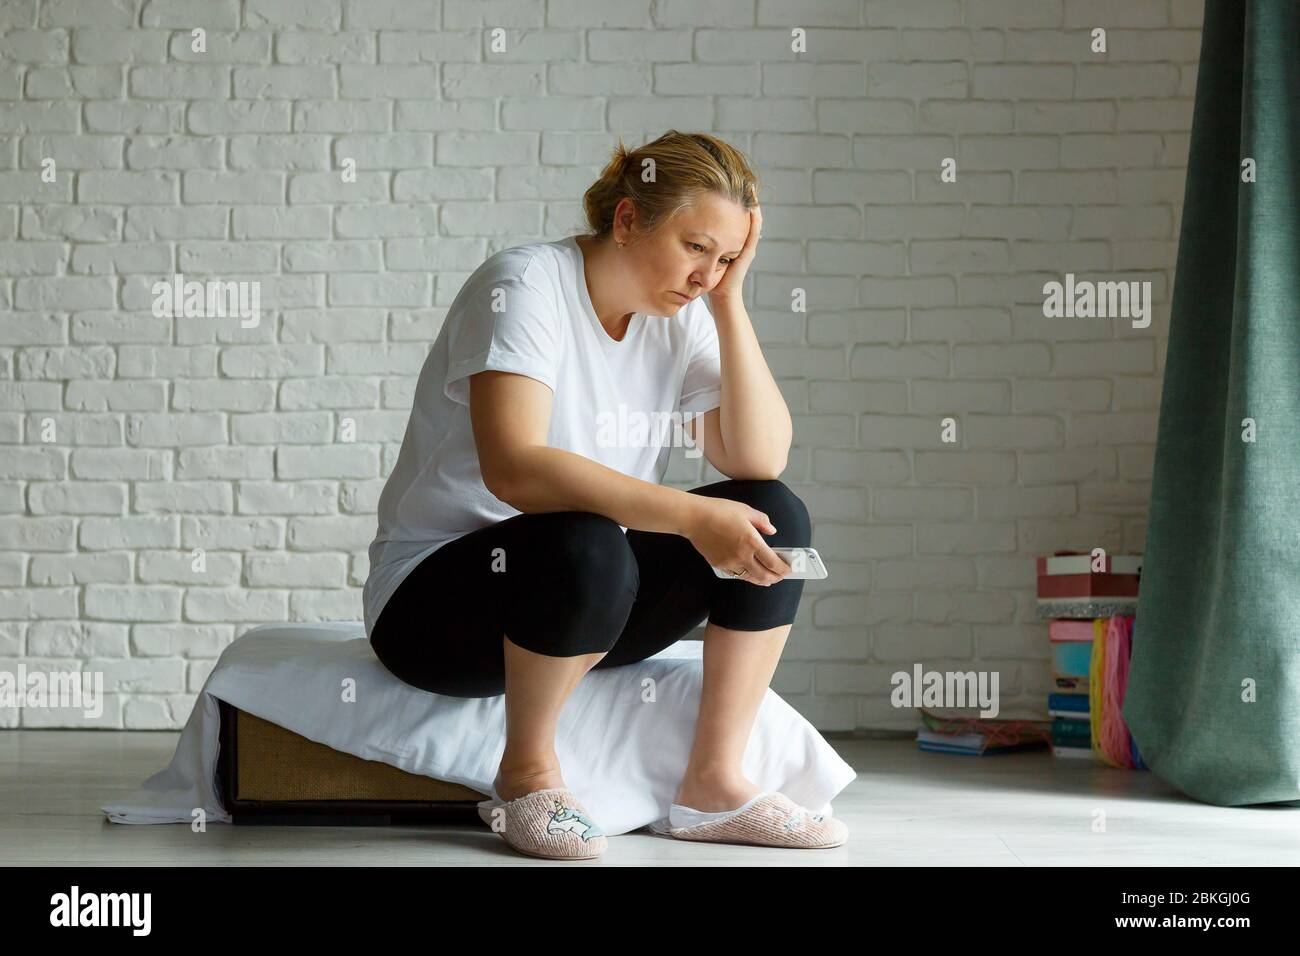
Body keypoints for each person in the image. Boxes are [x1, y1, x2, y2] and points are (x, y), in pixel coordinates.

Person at [362, 130, 847, 858]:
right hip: (439, 607)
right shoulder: (525, 285)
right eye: (696, 248)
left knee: (774, 516)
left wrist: (731, 303)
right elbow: (516, 470)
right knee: (586, 536)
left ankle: (713, 784)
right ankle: (526, 775)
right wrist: (688, 515)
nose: (706, 274)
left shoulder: (683, 315)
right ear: (626, 220)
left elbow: (759, 455)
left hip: (587, 600)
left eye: (726, 258)